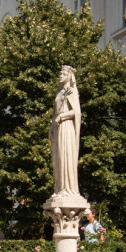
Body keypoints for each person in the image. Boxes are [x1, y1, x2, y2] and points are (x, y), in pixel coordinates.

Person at [49, 65, 81, 196]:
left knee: (65, 156)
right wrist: (52, 127)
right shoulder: (59, 93)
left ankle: (67, 188)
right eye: (60, 73)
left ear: (69, 76)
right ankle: (59, 187)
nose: (61, 75)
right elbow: (55, 113)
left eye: (64, 73)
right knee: (58, 158)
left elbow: (76, 112)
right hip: (58, 128)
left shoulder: (72, 91)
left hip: (67, 127)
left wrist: (62, 116)